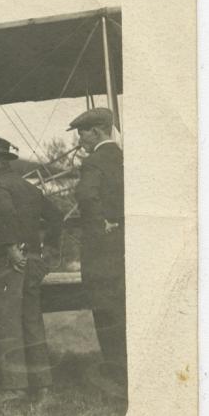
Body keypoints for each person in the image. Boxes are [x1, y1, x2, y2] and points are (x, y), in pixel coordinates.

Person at [0, 137, 62, 408]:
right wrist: (49, 255)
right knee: (32, 322)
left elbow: (7, 215)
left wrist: (10, 247)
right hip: (33, 262)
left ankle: (14, 389)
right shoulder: (27, 187)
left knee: (5, 321)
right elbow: (56, 216)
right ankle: (43, 386)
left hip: (11, 264)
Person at [68, 107, 126, 396]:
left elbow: (86, 195)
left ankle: (118, 377)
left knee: (106, 312)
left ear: (98, 131)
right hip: (127, 247)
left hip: (103, 253)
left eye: (83, 133)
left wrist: (99, 225)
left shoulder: (94, 163)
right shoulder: (126, 158)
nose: (80, 140)